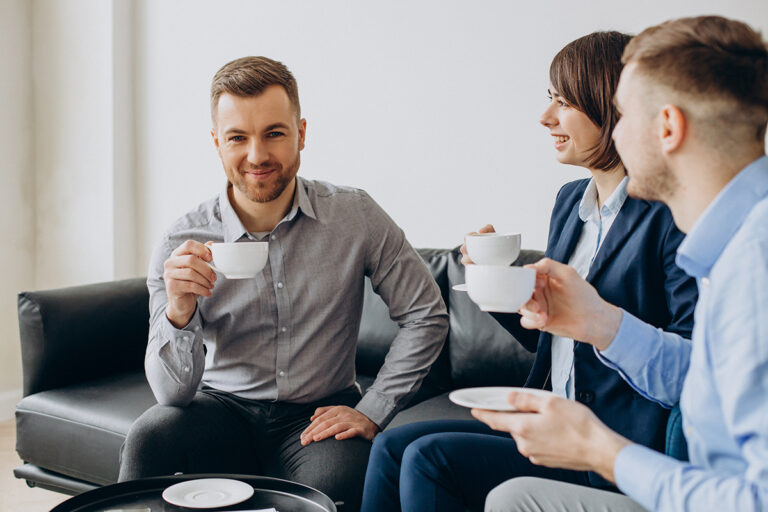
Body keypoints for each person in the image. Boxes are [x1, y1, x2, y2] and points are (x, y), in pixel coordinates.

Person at [360, 31, 698, 512]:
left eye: (563, 102)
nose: (546, 118)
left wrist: (596, 318)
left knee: (429, 459)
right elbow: (551, 338)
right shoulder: (569, 204)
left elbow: (689, 361)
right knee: (392, 447)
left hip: (612, 440)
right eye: (549, 100)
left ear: (610, 106)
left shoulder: (669, 215)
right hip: (549, 412)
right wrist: (495, 285)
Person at [117, 56, 449, 511]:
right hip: (222, 407)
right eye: (238, 138)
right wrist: (179, 310)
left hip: (318, 412)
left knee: (339, 485)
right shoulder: (182, 241)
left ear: (302, 134)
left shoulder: (355, 216)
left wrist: (372, 409)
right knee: (148, 439)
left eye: (274, 133)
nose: (257, 156)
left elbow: (425, 315)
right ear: (217, 143)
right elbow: (173, 394)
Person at [473, 15, 768, 512]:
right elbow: (700, 378)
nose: (617, 133)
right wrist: (600, 323)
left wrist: (602, 452)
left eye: (624, 115)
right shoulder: (730, 244)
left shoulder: (754, 264)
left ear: (667, 127)